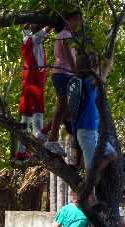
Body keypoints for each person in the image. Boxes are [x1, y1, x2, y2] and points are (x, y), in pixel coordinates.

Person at [41, 11, 82, 156]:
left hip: (63, 74)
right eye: (75, 20)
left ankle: (44, 133)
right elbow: (71, 59)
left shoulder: (65, 35)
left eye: (79, 20)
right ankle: (51, 139)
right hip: (64, 73)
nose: (78, 23)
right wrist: (79, 73)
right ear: (67, 20)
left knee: (67, 109)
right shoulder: (66, 35)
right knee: (63, 106)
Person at [15, 24, 51, 160]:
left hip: (35, 83)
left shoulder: (32, 41)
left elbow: (32, 32)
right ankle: (28, 150)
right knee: (32, 117)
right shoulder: (32, 40)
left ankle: (23, 151)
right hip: (32, 84)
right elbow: (44, 31)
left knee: (30, 117)